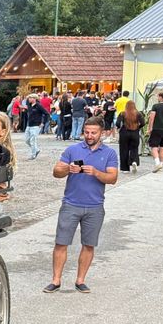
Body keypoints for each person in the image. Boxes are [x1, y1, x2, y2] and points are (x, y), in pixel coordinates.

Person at [44, 117, 119, 294]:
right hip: (71, 204)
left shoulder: (109, 153)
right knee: (61, 242)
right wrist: (67, 169)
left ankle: (80, 280)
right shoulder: (72, 149)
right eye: (86, 132)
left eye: (93, 132)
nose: (89, 135)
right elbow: (56, 172)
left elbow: (113, 178)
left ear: (102, 133)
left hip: (95, 206)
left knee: (89, 244)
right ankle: (56, 280)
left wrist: (95, 172)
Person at [115, 101, 143, 173]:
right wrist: (138, 127)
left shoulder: (122, 113)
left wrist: (119, 128)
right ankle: (134, 161)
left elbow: (118, 123)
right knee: (134, 149)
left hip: (124, 132)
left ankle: (125, 169)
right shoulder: (138, 114)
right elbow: (143, 122)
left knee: (124, 150)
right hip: (135, 132)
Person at [22, 93, 49, 160]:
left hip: (36, 125)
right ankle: (36, 150)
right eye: (29, 98)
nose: (29, 99)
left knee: (33, 140)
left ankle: (33, 155)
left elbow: (46, 113)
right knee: (26, 140)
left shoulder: (39, 106)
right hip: (29, 125)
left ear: (34, 99)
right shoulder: (29, 105)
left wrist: (43, 122)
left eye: (30, 98)